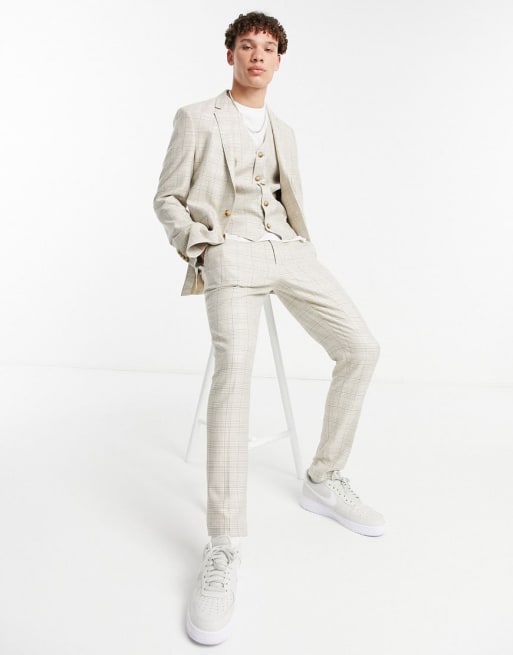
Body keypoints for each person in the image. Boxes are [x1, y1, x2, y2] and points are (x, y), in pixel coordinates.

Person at [153, 11, 384, 646]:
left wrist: (298, 248)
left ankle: (323, 477)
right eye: (247, 45)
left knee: (361, 348)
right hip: (229, 252)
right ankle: (224, 543)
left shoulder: (285, 131)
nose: (257, 55)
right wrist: (202, 246)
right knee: (235, 376)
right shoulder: (196, 117)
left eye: (269, 48)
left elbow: (285, 198)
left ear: (280, 60)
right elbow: (166, 197)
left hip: (288, 250)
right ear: (230, 54)